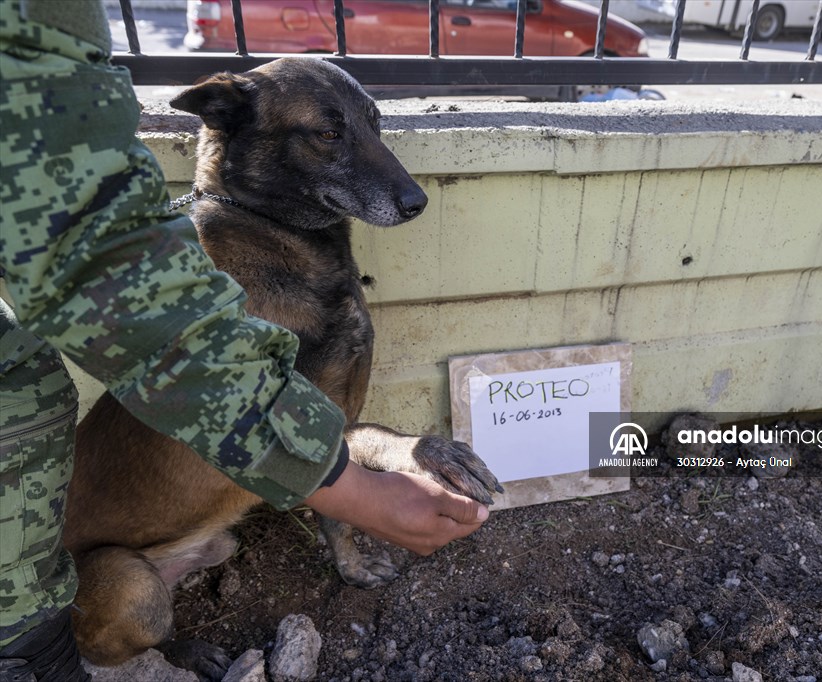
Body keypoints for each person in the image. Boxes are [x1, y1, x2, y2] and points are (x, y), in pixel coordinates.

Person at [0, 1, 489, 678]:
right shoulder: (215, 288)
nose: (395, 179)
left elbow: (325, 424)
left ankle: (337, 550)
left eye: (368, 130)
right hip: (112, 564)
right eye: (329, 135)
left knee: (223, 543)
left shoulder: (298, 264)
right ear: (232, 129)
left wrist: (392, 463)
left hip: (199, 525)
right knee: (140, 607)